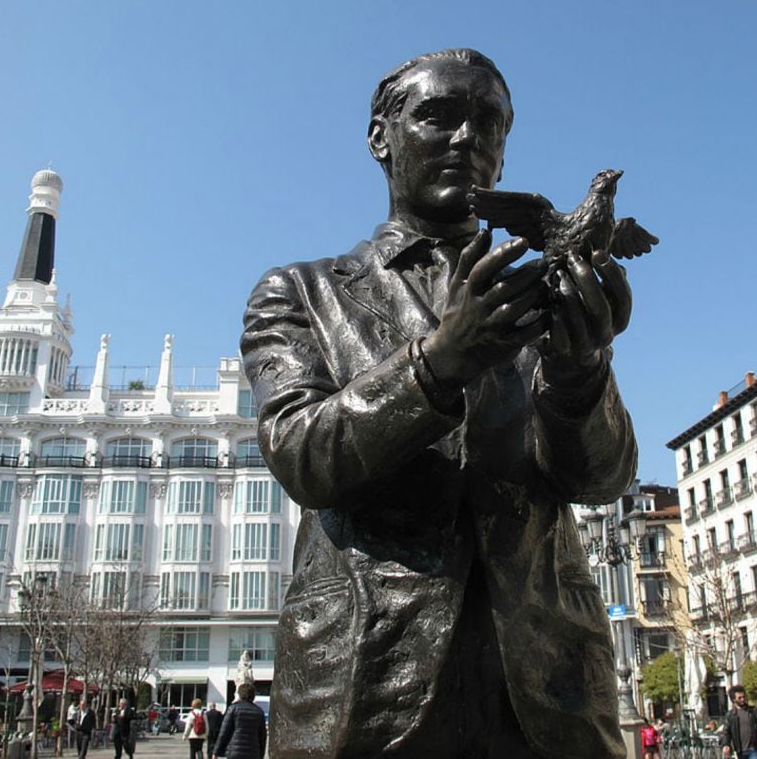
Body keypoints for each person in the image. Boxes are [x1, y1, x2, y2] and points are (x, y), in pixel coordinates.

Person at [241, 48, 638, 758]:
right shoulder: (301, 293)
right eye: (439, 116)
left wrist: (582, 374)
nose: (468, 139)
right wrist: (439, 361)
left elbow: (601, 480)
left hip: (549, 697)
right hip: (366, 681)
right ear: (380, 138)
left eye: (489, 124)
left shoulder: (537, 287)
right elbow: (303, 456)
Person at [213, 684, 266, 759]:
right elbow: (262, 737)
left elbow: (224, 732)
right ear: (253, 696)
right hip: (253, 752)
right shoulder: (259, 712)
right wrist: (261, 755)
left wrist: (216, 752)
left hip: (234, 751)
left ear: (239, 694)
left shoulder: (233, 708)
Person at [721, 685, 757, 759]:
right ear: (734, 699)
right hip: (740, 751)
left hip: (754, 749)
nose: (743, 699)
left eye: (744, 697)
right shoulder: (731, 715)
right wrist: (726, 744)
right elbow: (726, 732)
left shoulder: (753, 711)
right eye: (739, 698)